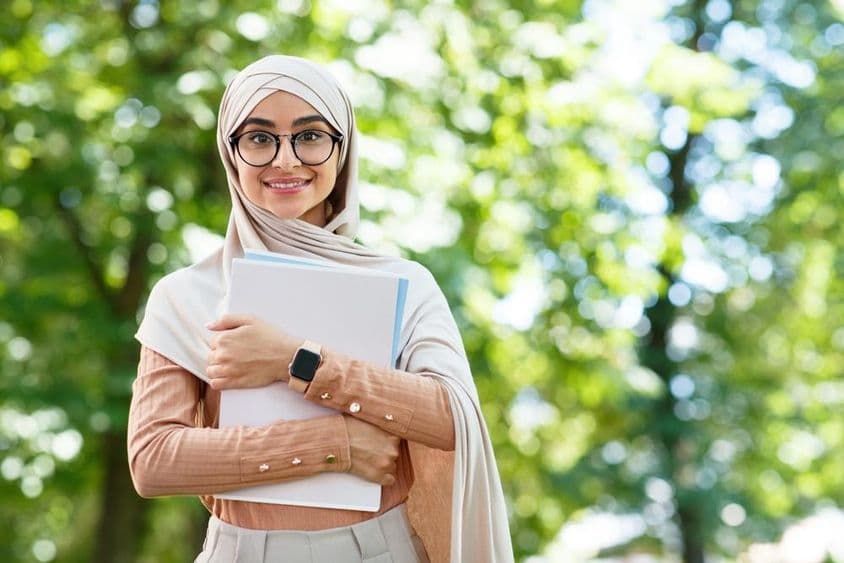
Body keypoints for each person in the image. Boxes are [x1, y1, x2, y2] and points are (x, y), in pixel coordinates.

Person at [128, 54, 513, 563]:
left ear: (342, 149)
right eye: (259, 138)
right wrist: (335, 444)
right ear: (232, 154)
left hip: (382, 549)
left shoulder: (404, 284)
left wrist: (297, 361)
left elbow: (450, 419)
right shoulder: (186, 295)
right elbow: (153, 462)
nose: (285, 161)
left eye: (309, 136)